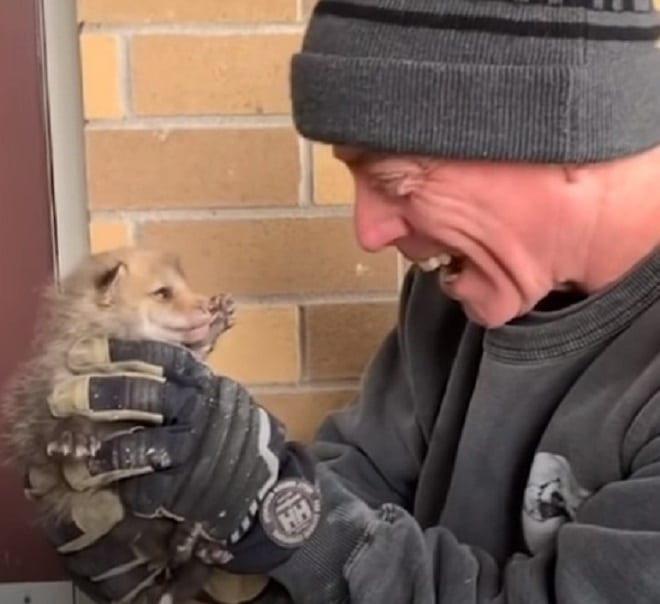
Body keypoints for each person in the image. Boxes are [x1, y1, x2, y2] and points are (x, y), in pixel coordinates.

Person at [30, 1, 660, 602]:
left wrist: (299, 525)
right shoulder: (452, 299)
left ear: (570, 131)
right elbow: (361, 483)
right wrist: (208, 541)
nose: (369, 232)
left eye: (395, 181)